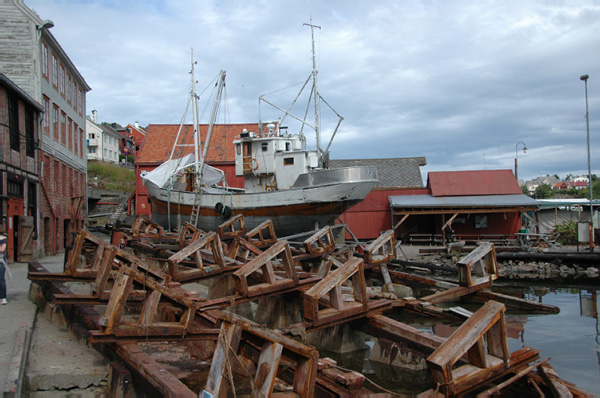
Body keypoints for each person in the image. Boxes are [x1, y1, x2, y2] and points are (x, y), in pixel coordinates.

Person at [0, 234, 7, 304]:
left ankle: (2, 297)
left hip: (0, 260)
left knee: (1, 279)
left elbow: (2, 249)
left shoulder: (3, 238)